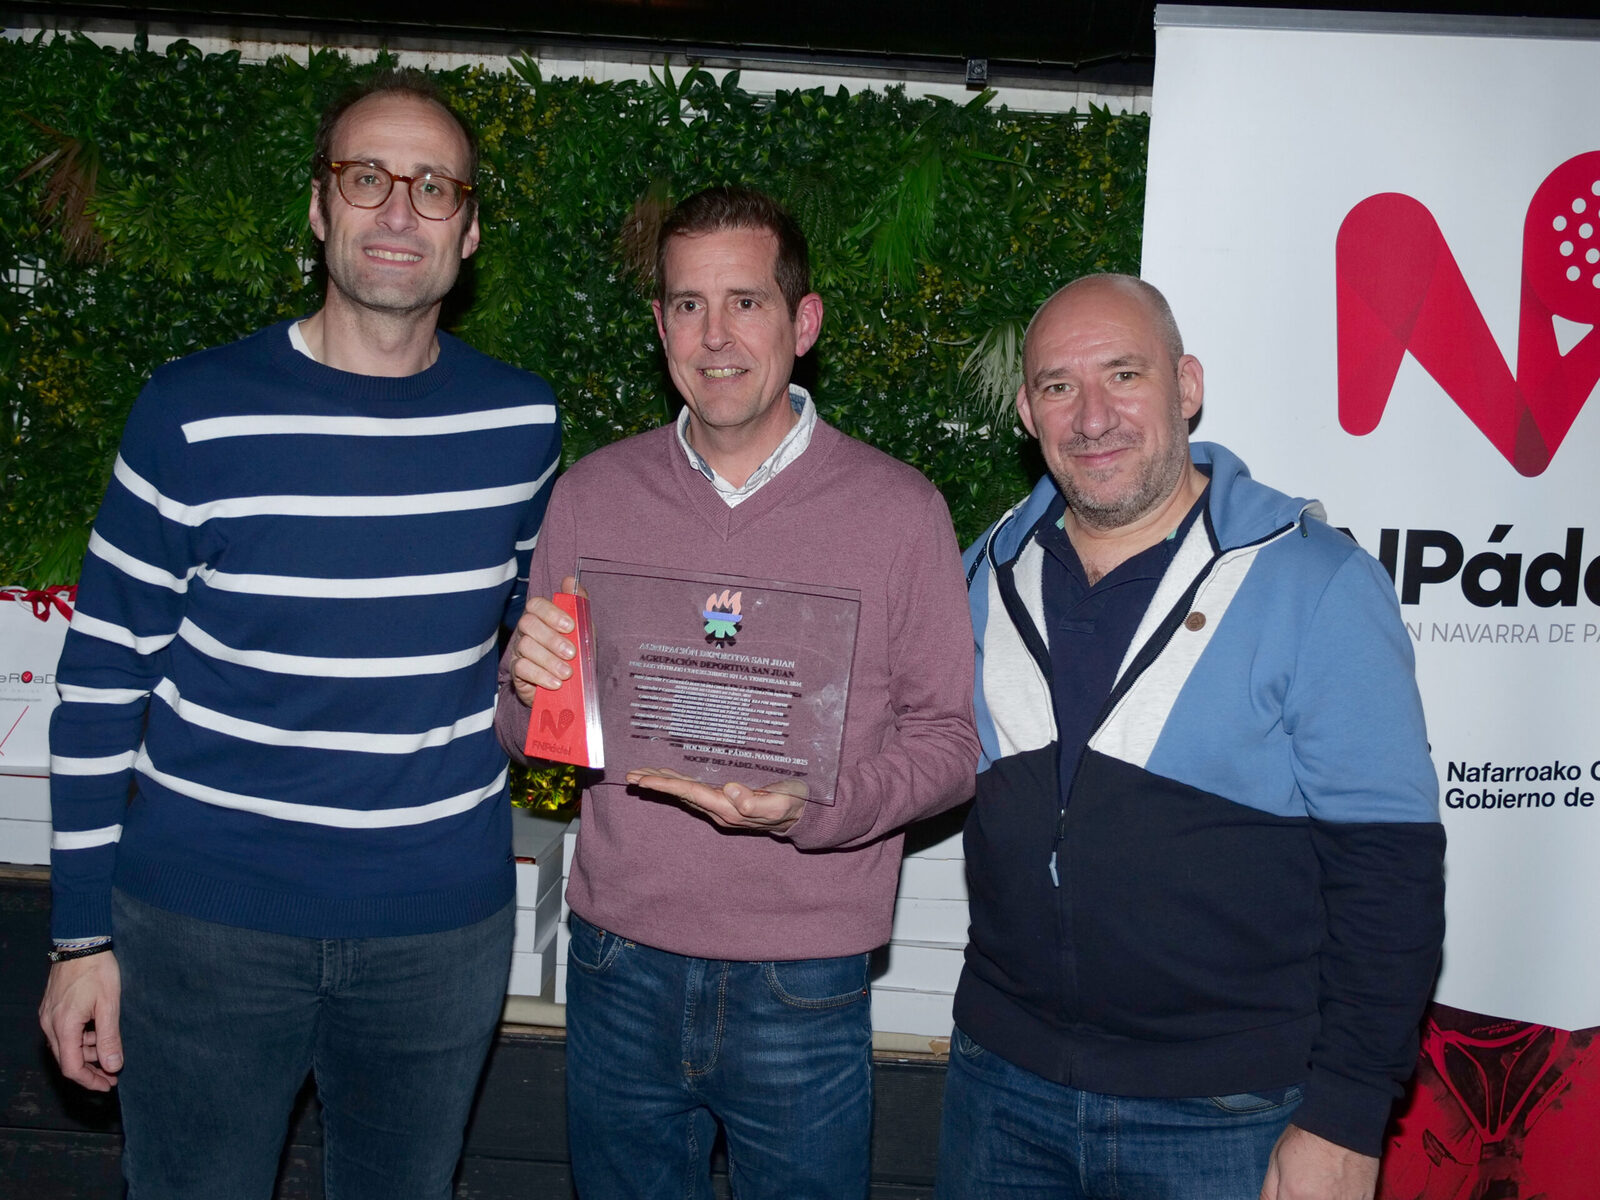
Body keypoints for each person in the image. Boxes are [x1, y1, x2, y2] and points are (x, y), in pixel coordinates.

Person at [39, 69, 560, 1199]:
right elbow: (100, 683)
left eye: (434, 186)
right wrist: (78, 940)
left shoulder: (524, 423)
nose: (399, 210)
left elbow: (530, 642)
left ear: (469, 231)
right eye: (367, 177)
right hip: (204, 924)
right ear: (320, 208)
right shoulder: (190, 410)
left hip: (438, 930)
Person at [496, 185, 978, 1199]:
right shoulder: (591, 496)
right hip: (617, 962)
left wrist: (817, 810)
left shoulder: (900, 512)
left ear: (803, 323)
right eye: (687, 304)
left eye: (745, 302)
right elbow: (535, 741)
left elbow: (947, 745)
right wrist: (525, 692)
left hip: (804, 978)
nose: (714, 335)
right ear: (660, 324)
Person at [938, 274, 1446, 1200]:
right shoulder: (983, 574)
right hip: (1000, 1086)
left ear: (1187, 386)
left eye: (1124, 375)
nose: (1093, 417)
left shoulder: (1316, 583)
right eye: (1059, 386)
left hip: (1227, 1112)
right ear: (1027, 412)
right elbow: (914, 761)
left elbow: (1389, 871)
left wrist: (1346, 1116)